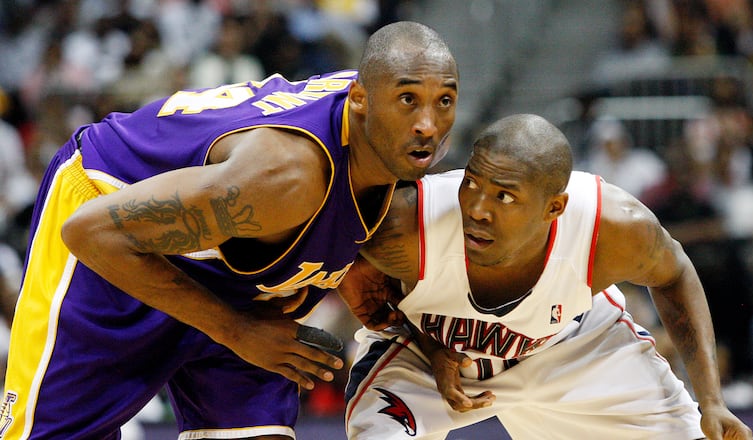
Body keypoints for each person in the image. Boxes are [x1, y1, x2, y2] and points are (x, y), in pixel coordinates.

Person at [2, 21, 458, 440]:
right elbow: (90, 233)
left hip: (234, 275)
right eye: (408, 100)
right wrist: (236, 331)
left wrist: (419, 340)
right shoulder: (286, 175)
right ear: (360, 98)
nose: (428, 125)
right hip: (112, 222)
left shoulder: (394, 135)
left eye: (445, 101)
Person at [339, 114, 753, 439]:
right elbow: (340, 261)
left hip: (570, 349)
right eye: (472, 184)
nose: (478, 209)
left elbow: (674, 273)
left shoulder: (610, 227)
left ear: (553, 209)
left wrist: (711, 400)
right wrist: (429, 348)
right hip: (430, 355)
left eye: (503, 195)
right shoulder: (409, 224)